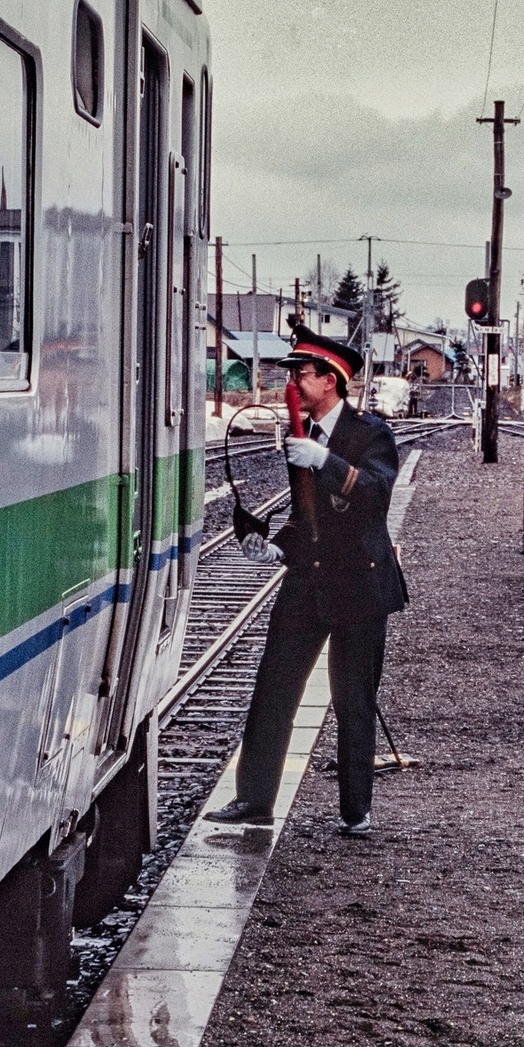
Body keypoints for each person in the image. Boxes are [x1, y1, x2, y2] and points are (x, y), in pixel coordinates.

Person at [204, 326, 408, 837]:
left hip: (360, 586)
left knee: (352, 698)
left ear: (332, 380)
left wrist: (328, 462)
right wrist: (275, 548)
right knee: (274, 689)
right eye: (293, 371)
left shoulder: (369, 434)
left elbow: (377, 494)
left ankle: (355, 811)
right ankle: (254, 800)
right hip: (307, 582)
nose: (293, 380)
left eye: (303, 372)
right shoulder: (304, 434)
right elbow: (305, 516)